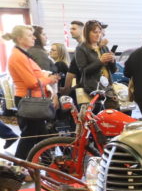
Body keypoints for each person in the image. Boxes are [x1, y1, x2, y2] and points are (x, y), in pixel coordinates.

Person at [3, 25, 59, 159]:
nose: (34, 37)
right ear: (19, 38)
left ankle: (47, 163)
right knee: (30, 137)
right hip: (29, 100)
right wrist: (49, 79)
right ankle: (19, 166)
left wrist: (44, 77)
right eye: (29, 35)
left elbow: (35, 77)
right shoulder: (18, 56)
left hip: (33, 99)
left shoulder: (22, 55)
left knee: (41, 136)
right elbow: (31, 82)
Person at [74, 20, 117, 97]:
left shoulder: (104, 47)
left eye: (99, 32)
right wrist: (100, 61)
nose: (98, 35)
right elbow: (84, 71)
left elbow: (113, 70)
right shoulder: (81, 48)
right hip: (92, 90)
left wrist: (112, 60)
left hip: (107, 88)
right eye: (95, 32)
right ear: (87, 33)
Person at [66, 19, 84, 90]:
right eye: (70, 29)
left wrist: (66, 88)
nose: (70, 31)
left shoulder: (83, 47)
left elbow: (72, 71)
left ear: (82, 30)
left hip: (84, 88)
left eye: (73, 29)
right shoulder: (79, 46)